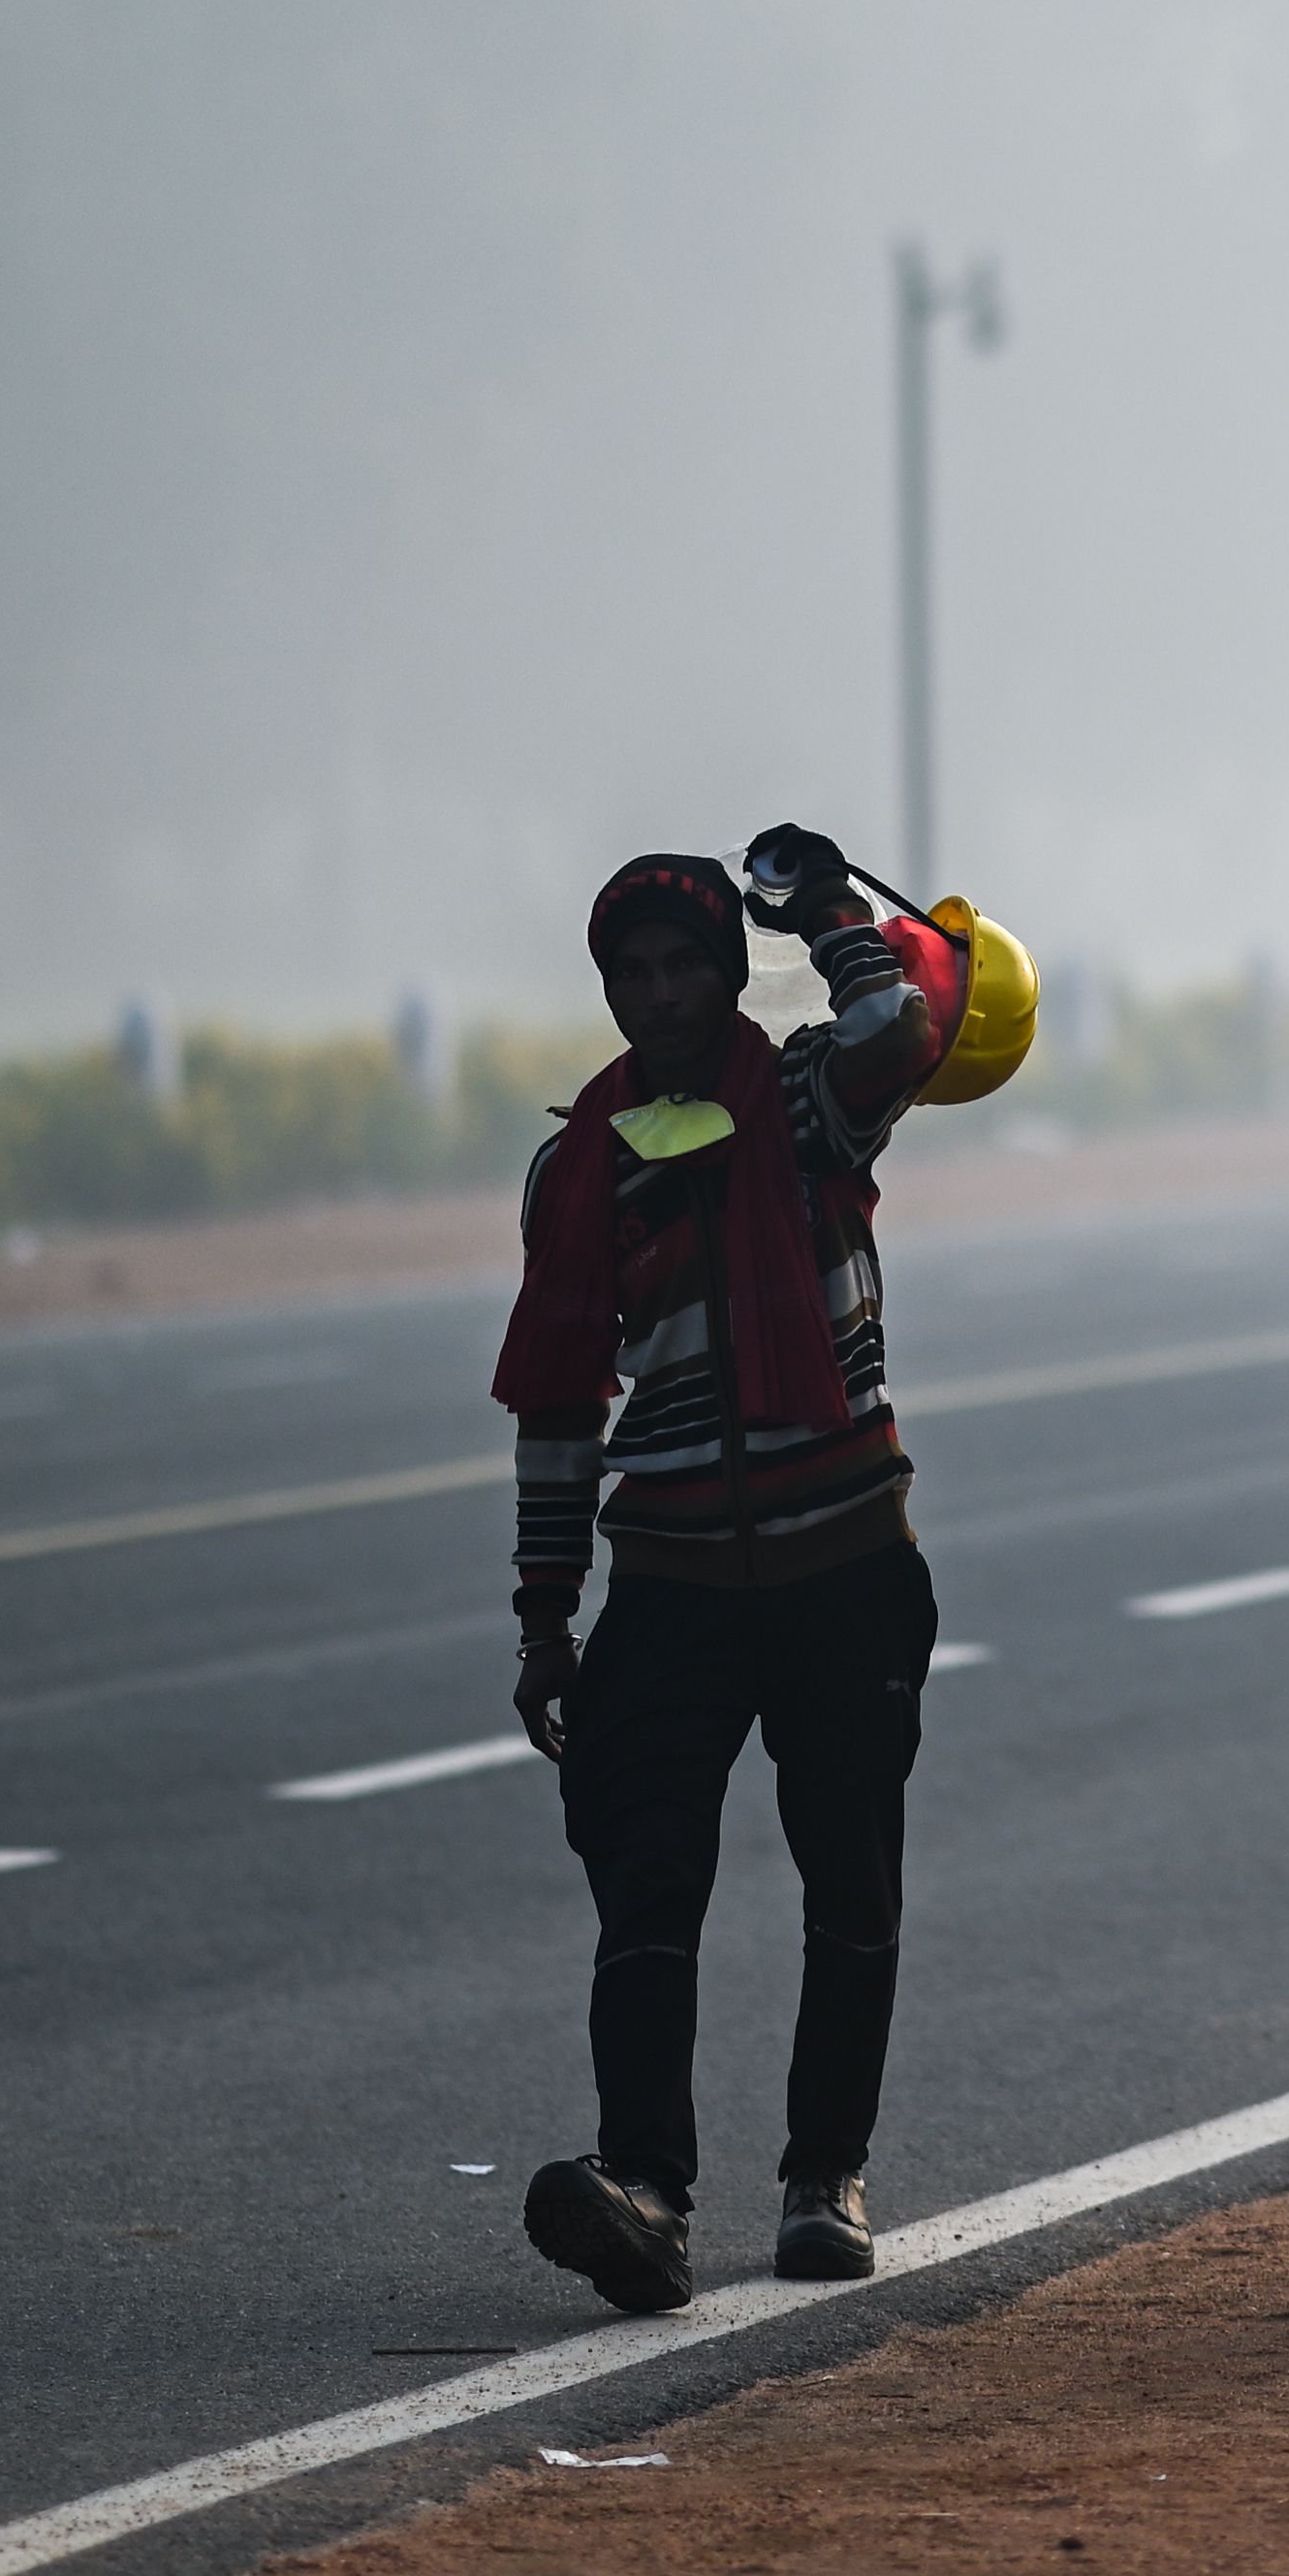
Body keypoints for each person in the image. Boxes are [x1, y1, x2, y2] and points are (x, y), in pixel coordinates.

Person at [493, 831, 972, 2313]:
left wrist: (822, 905)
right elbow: (559, 1406)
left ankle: (826, 2178)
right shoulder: (577, 1167)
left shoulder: (816, 1103)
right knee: (645, 1889)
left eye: (684, 965)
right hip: (670, 1582)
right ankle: (645, 2192)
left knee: (851, 1880)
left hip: (845, 1563)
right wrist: (544, 1615)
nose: (659, 995)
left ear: (724, 970)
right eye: (631, 973)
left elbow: (903, 1024)